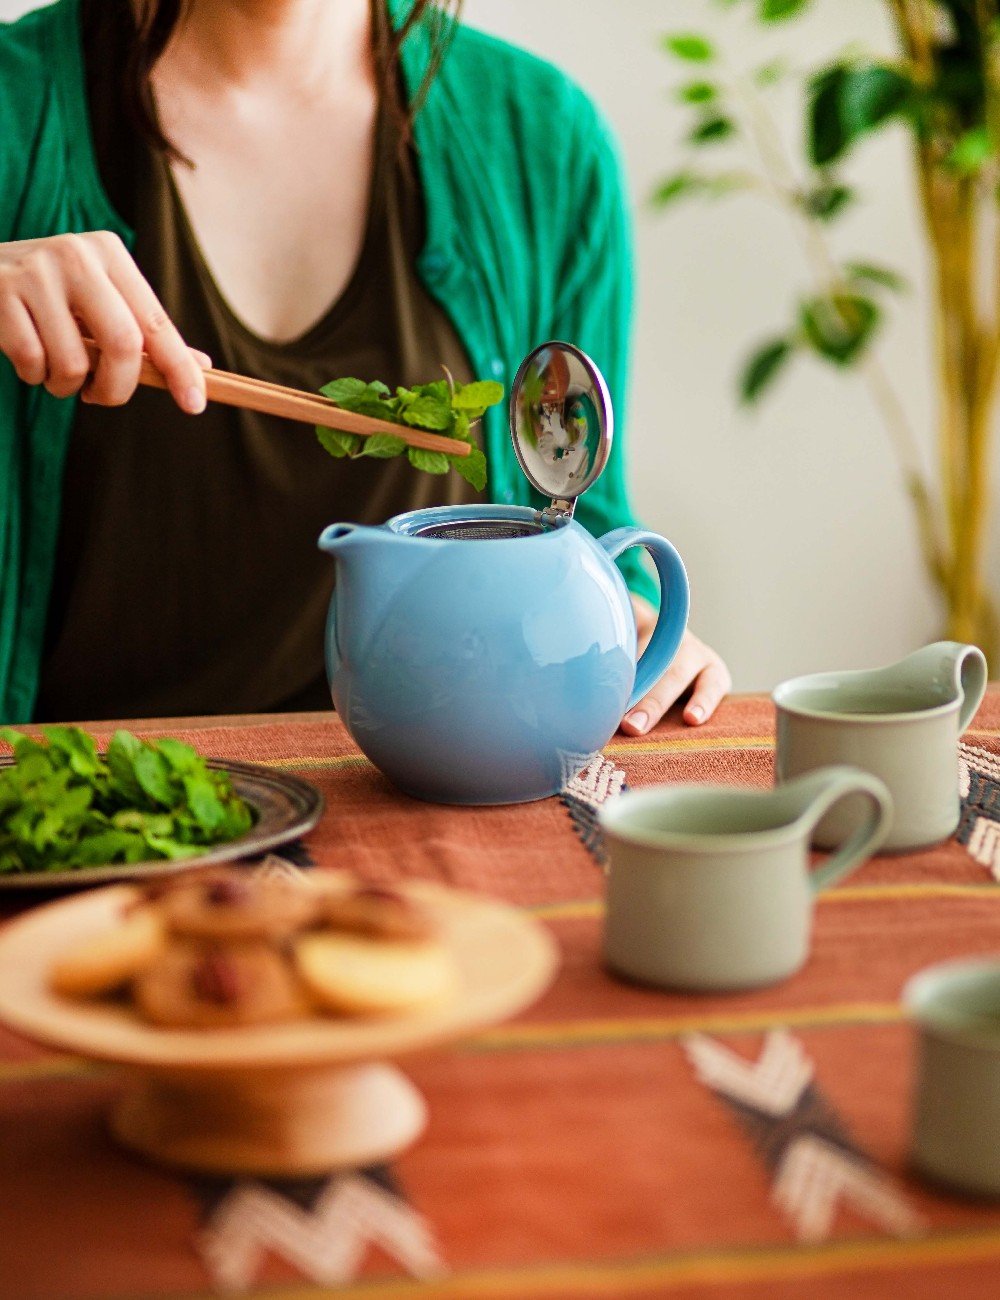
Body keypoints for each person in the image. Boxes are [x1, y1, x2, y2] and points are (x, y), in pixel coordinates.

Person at [0, 0, 730, 729]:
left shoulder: (543, 138)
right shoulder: (18, 106)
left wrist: (625, 616)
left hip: (426, 800)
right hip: (78, 807)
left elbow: (581, 514)